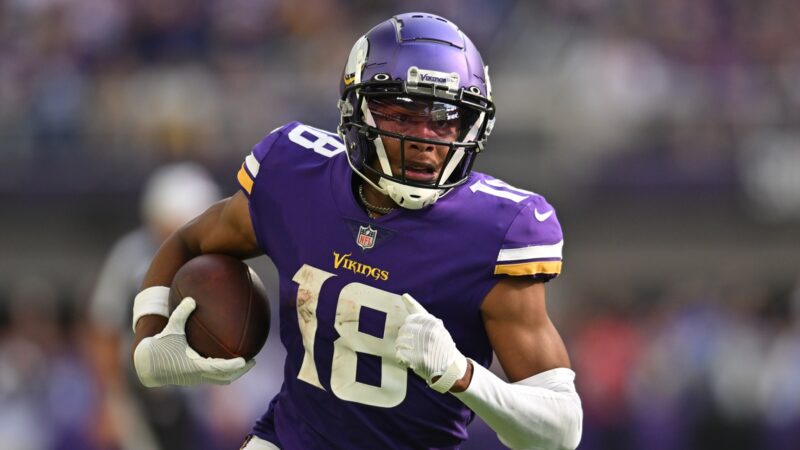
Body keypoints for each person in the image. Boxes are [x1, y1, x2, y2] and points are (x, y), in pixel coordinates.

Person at [131, 12, 583, 450]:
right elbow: (189, 240)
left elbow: (560, 432)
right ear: (356, 109)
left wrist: (463, 375)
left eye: (445, 119)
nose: (426, 138)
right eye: (402, 116)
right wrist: (148, 342)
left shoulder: (496, 230)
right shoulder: (294, 177)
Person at [87, 162, 222, 450]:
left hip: (188, 393)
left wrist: (219, 394)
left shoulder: (209, 262)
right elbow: (104, 331)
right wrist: (109, 400)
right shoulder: (131, 257)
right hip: (138, 392)